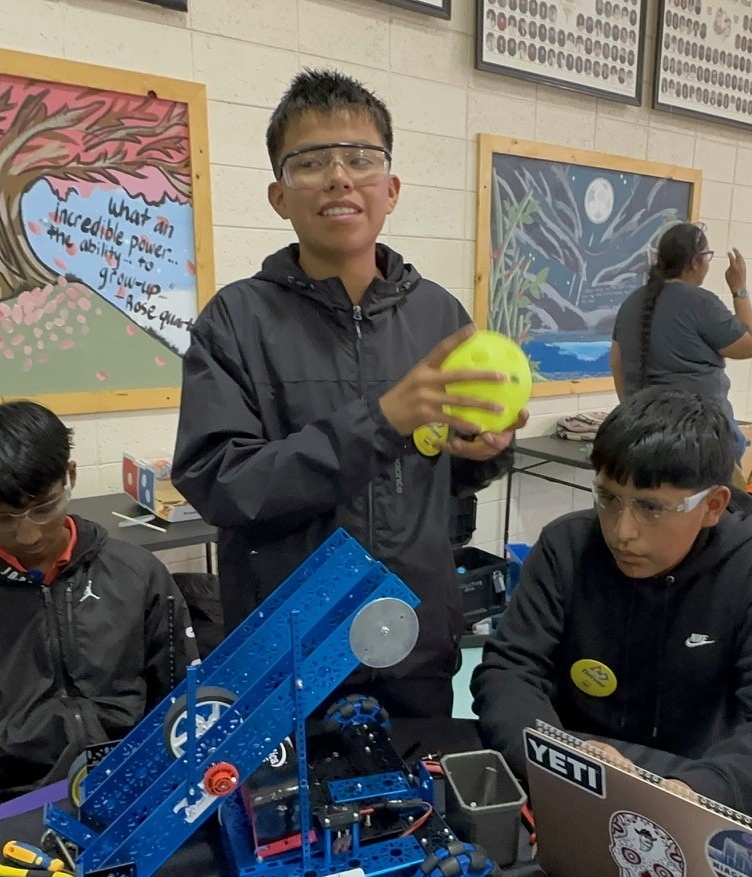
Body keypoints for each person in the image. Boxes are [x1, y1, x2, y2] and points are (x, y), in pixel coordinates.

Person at [173, 70, 524, 719]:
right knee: (289, 818)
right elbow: (220, 483)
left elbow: (442, 474)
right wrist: (383, 420)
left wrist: (486, 449)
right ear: (279, 195)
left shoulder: (439, 316)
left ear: (390, 188)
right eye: (311, 162)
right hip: (288, 653)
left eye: (360, 158)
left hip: (413, 642)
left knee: (416, 810)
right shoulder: (235, 322)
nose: (339, 176)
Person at [472, 387, 752, 820]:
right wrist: (561, 754)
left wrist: (698, 790)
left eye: (651, 508)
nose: (623, 531)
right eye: (608, 498)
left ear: (713, 505)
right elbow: (508, 671)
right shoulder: (564, 547)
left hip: (692, 792)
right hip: (567, 775)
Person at [0, 400, 190, 845]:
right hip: (3, 821)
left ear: (71, 476)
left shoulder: (138, 575)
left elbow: (182, 711)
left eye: (43, 507)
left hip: (136, 800)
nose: (27, 535)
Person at [610, 221, 752, 465]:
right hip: (700, 437)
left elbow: (616, 363)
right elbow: (750, 345)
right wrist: (739, 289)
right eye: (708, 256)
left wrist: (633, 412)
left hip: (642, 436)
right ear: (695, 261)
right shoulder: (702, 303)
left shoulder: (631, 302)